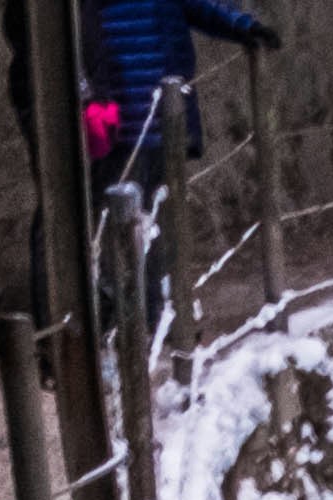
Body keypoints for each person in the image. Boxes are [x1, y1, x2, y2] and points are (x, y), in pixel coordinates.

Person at [81, 0, 274, 335]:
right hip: (130, 119)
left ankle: (155, 316)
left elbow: (198, 5)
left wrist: (244, 27)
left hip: (157, 117)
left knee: (150, 222)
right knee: (135, 224)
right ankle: (142, 320)